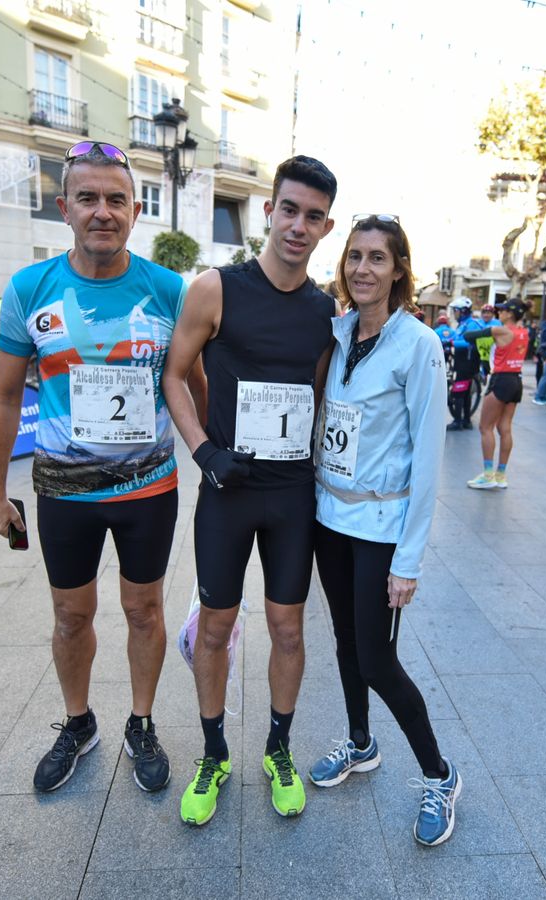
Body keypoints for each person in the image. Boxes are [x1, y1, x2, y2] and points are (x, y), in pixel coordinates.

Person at [0, 140, 195, 796]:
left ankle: (142, 722)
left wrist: (220, 461)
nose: (103, 211)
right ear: (64, 208)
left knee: (144, 610)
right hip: (64, 491)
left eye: (116, 200)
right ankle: (78, 723)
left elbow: (194, 385)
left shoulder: (168, 290)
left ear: (135, 211)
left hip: (148, 486)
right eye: (88, 198)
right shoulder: (30, 288)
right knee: (70, 615)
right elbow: (5, 396)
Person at [161, 155, 339, 826]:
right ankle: (213, 753)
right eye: (289, 209)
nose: (298, 226)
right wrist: (204, 450)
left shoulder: (325, 311)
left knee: (289, 628)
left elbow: (321, 398)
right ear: (269, 211)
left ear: (326, 227)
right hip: (228, 491)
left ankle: (278, 749)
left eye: (313, 216)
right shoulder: (214, 289)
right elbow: (174, 375)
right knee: (215, 625)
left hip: (291, 495)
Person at [310, 215, 462, 845]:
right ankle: (360, 742)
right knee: (346, 643)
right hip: (329, 517)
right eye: (355, 256)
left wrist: (409, 560)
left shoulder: (418, 344)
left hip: (380, 525)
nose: (363, 269)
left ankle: (439, 775)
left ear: (399, 269)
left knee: (377, 658)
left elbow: (429, 458)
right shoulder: (338, 331)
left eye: (377, 257)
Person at [463, 300, 529, 490]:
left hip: (501, 379)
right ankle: (501, 475)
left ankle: (487, 475)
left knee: (485, 427)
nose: (499, 312)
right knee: (505, 427)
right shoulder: (524, 332)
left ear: (510, 313)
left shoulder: (502, 331)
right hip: (516, 380)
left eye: (503, 310)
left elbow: (469, 336)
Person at [446, 297, 482, 429]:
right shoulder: (463, 324)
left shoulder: (472, 324)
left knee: (459, 391)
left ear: (463, 311)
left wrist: (451, 343)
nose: (454, 314)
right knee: (465, 392)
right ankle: (466, 420)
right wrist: (446, 341)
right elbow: (455, 337)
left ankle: (458, 421)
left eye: (455, 311)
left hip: (468, 362)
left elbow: (469, 342)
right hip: (461, 360)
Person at [475, 303, 496, 377]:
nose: (486, 315)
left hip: (492, 354)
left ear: (492, 314)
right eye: (484, 313)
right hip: (479, 353)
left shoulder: (497, 323)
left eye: (488, 313)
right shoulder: (477, 323)